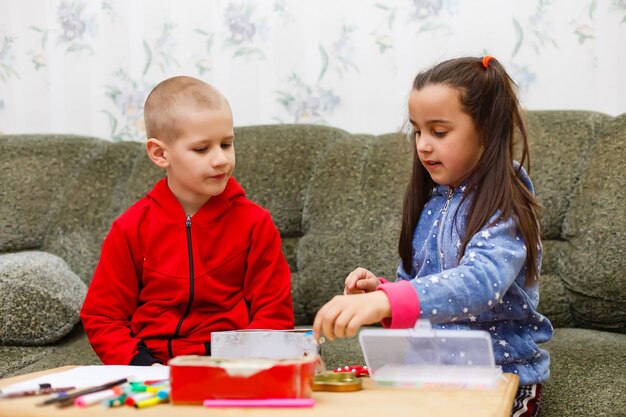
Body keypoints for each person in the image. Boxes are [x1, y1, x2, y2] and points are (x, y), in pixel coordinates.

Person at [313, 57, 552, 417]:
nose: (423, 145)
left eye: (439, 132)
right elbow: (417, 286)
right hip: (431, 373)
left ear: (487, 129)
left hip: (501, 376)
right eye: (417, 131)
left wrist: (389, 301)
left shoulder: (506, 196)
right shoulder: (432, 200)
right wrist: (380, 291)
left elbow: (481, 282)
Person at [81, 76, 294, 366]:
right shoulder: (130, 228)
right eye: (202, 149)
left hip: (233, 365)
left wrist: (245, 363)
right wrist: (141, 366)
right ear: (160, 154)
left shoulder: (255, 223)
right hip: (150, 366)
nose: (221, 159)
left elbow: (275, 312)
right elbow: (103, 316)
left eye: (227, 144)